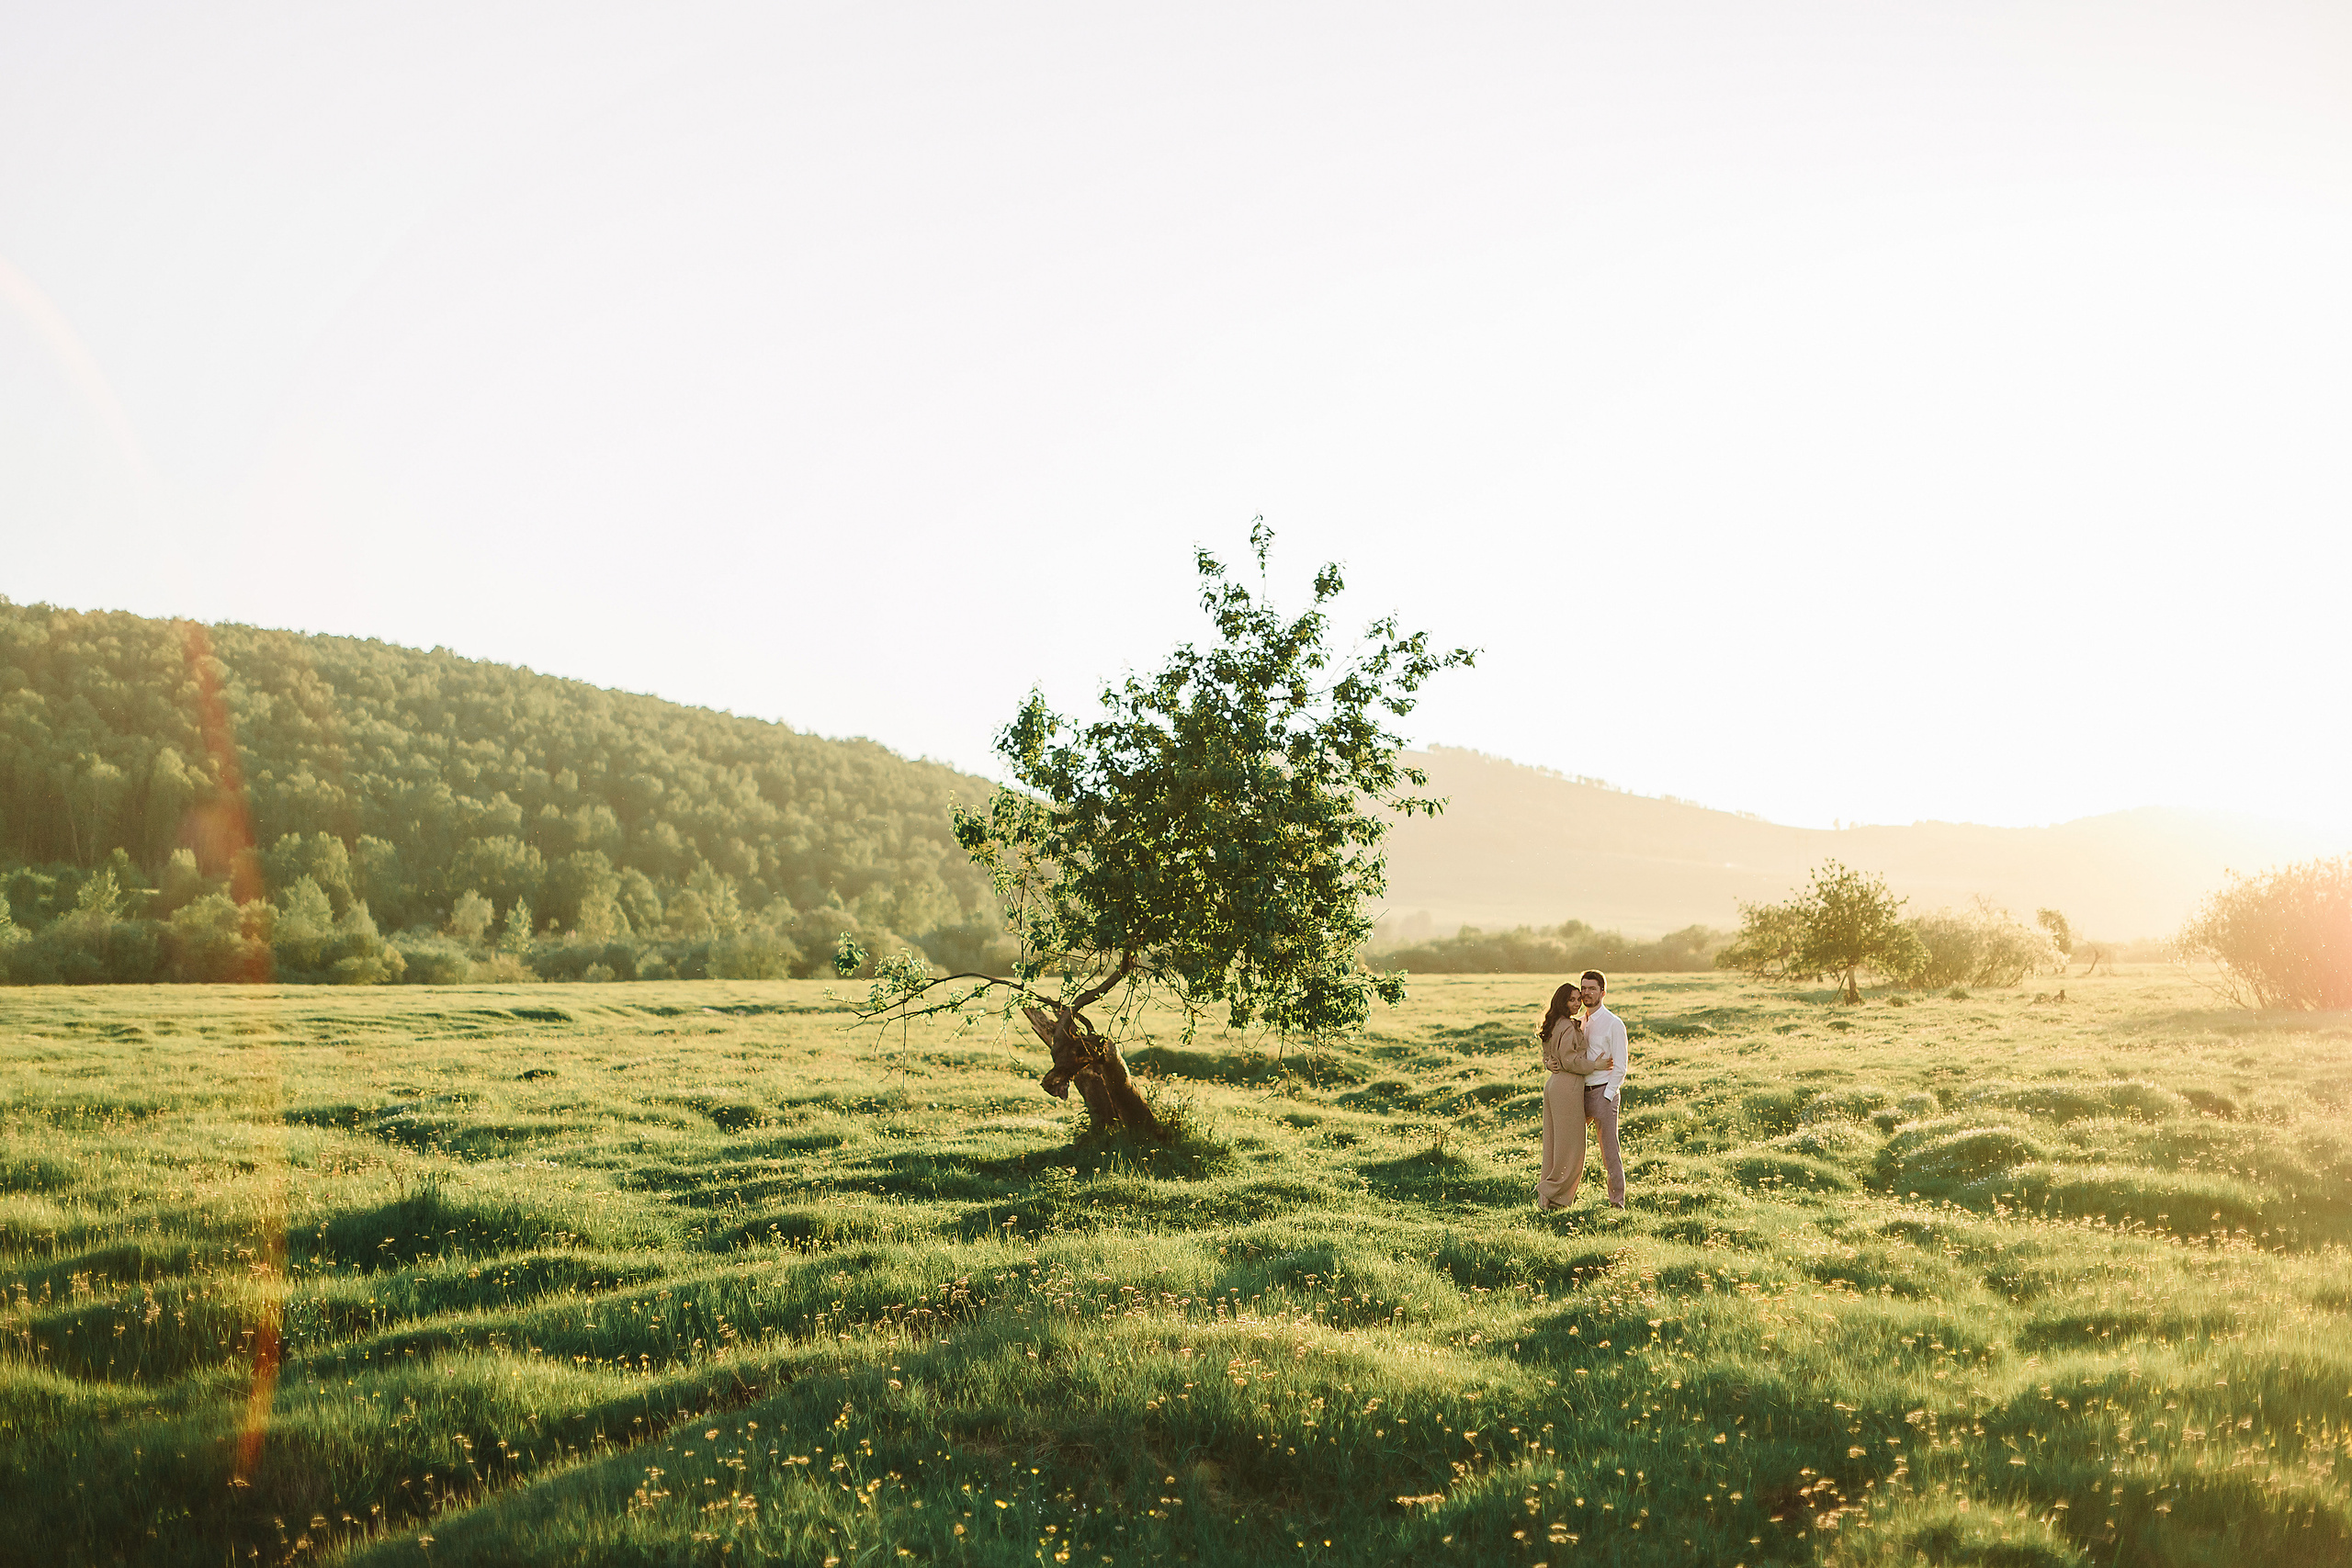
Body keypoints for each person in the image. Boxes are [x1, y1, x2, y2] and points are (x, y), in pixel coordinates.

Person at [1534, 969, 1629, 1211]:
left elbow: (1620, 1065)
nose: (1586, 994)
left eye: (1591, 989)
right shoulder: (1578, 1021)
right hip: (1576, 1093)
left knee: (1609, 1152)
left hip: (1602, 1093)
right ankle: (1554, 1196)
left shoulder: (1613, 1024)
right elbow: (1558, 1050)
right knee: (1566, 1147)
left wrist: (1608, 1096)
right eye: (1583, 988)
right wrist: (1548, 1062)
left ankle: (1617, 1203)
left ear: (1603, 992)